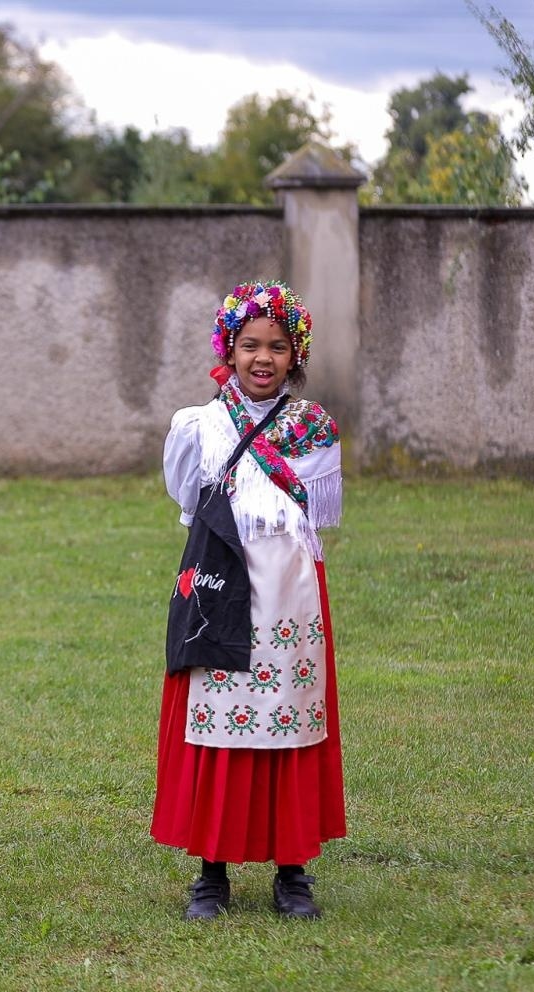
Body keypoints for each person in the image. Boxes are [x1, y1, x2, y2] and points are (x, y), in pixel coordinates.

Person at [151, 281, 346, 919]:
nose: (263, 358)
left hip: (289, 593)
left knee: (288, 723)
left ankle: (293, 872)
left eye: (278, 346)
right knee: (216, 726)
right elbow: (189, 503)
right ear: (228, 351)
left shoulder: (313, 428)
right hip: (219, 587)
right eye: (250, 344)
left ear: (297, 356)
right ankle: (212, 872)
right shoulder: (198, 426)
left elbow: (316, 519)